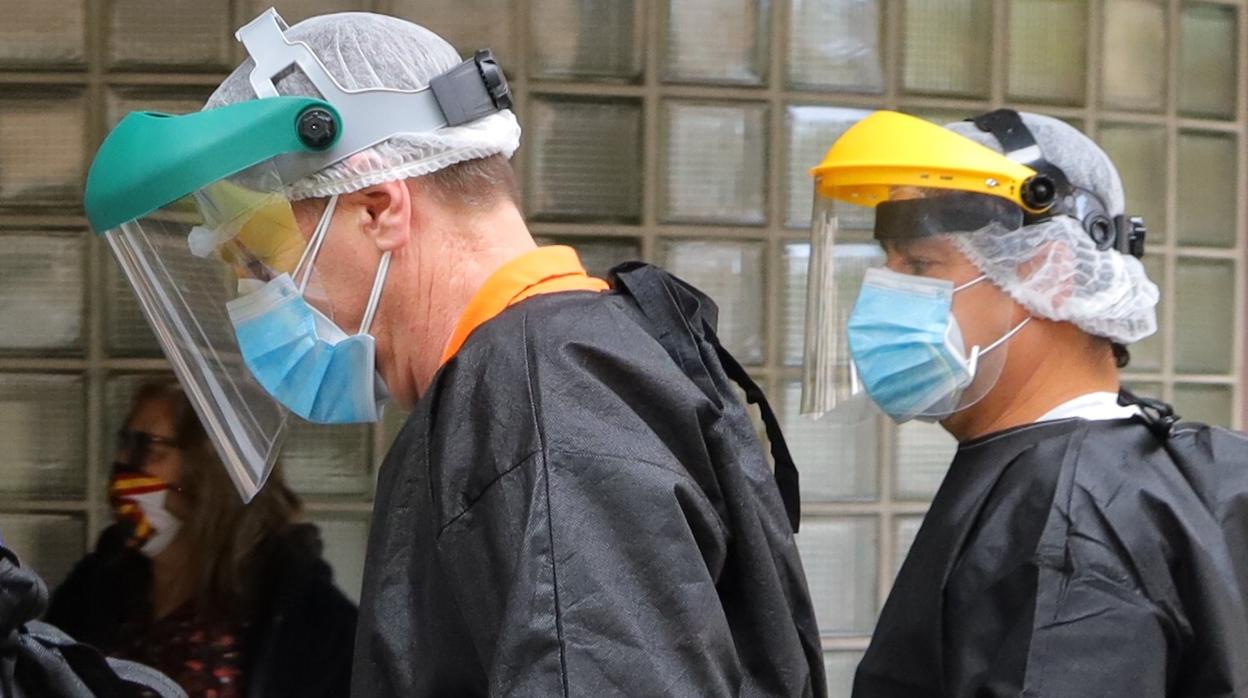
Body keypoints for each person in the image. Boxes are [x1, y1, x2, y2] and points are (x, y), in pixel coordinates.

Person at [82, 9, 824, 697]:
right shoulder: (555, 377)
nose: (262, 296)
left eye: (266, 259)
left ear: (378, 209)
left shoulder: (544, 411)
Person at [803, 108, 1248, 697]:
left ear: (1049, 271)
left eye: (920, 264)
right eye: (889, 263)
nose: (888, 293)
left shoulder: (1065, 521)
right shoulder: (1136, 472)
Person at [45, 380, 357, 697]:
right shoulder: (96, 585)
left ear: (211, 466)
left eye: (147, 448)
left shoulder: (307, 619)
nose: (123, 463)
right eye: (124, 442)